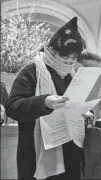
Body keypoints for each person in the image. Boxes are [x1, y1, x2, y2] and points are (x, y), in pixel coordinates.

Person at [5, 17, 86, 180]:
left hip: (69, 152)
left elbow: (74, 105)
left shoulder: (72, 76)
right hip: (37, 155)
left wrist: (84, 111)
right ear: (51, 51)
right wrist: (44, 102)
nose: (69, 62)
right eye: (65, 58)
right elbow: (12, 107)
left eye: (74, 59)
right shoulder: (32, 71)